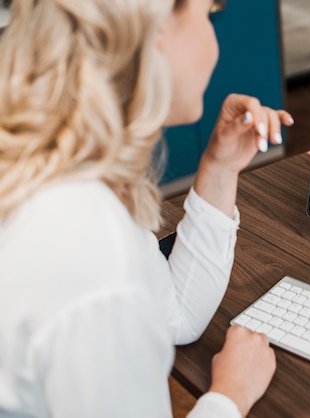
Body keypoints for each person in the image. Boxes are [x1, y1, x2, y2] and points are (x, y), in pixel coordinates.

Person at [0, 0, 294, 416]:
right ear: (155, 36)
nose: (213, 41)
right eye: (207, 15)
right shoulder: (88, 250)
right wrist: (229, 395)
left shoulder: (66, 180)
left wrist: (219, 167)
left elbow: (176, 314)